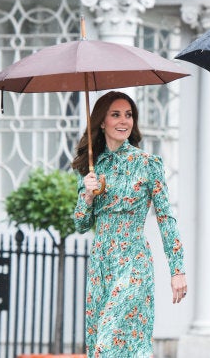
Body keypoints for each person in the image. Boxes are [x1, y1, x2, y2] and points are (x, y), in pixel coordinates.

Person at [72, 91, 187, 357]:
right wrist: (87, 195)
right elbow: (80, 224)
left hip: (134, 263)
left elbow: (165, 218)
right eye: (116, 114)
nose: (124, 121)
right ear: (102, 122)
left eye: (129, 114)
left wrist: (177, 269)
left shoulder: (148, 164)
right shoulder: (91, 168)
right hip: (101, 264)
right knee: (102, 343)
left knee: (107, 344)